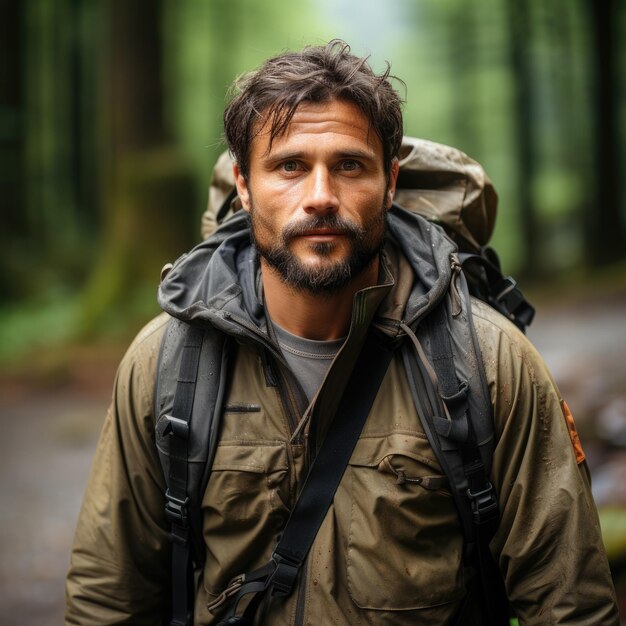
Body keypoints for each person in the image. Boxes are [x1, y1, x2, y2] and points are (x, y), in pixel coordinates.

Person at [65, 40, 619, 625]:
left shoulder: (488, 362)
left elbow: (570, 606)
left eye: (349, 165)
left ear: (389, 180)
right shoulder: (168, 362)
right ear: (244, 185)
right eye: (290, 166)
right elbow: (109, 599)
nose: (321, 196)